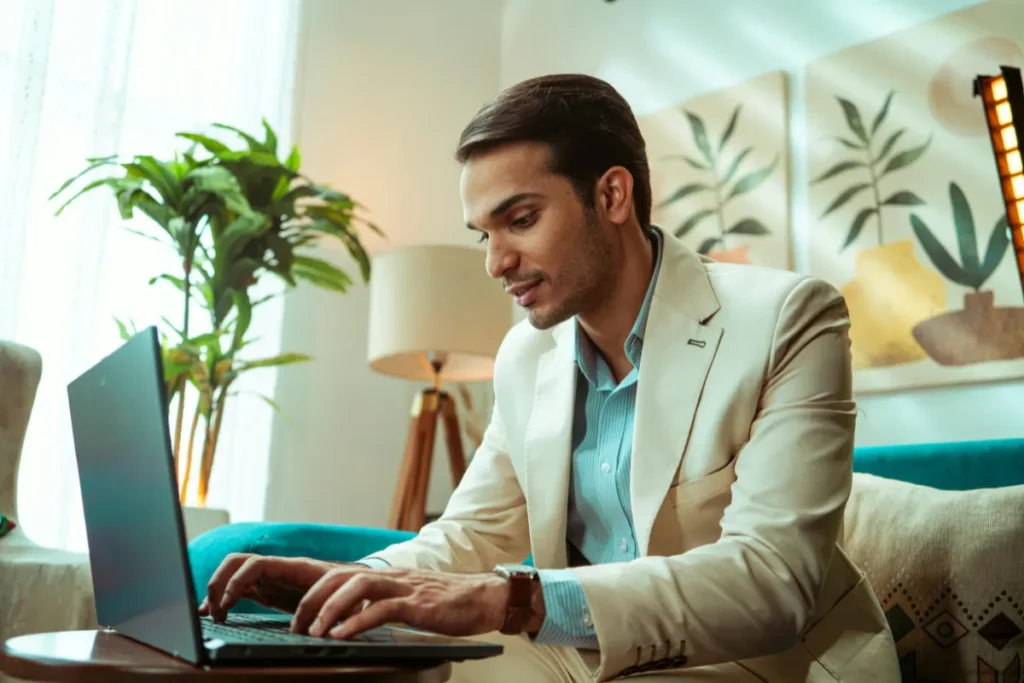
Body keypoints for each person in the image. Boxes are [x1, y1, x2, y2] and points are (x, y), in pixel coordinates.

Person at [200, 74, 900, 682]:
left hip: (764, 664)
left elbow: (772, 583)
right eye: (484, 233)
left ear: (613, 194)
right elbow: (472, 534)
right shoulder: (525, 356)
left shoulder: (787, 318)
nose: (495, 261)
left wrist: (517, 600)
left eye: (521, 220)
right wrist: (355, 580)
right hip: (578, 656)